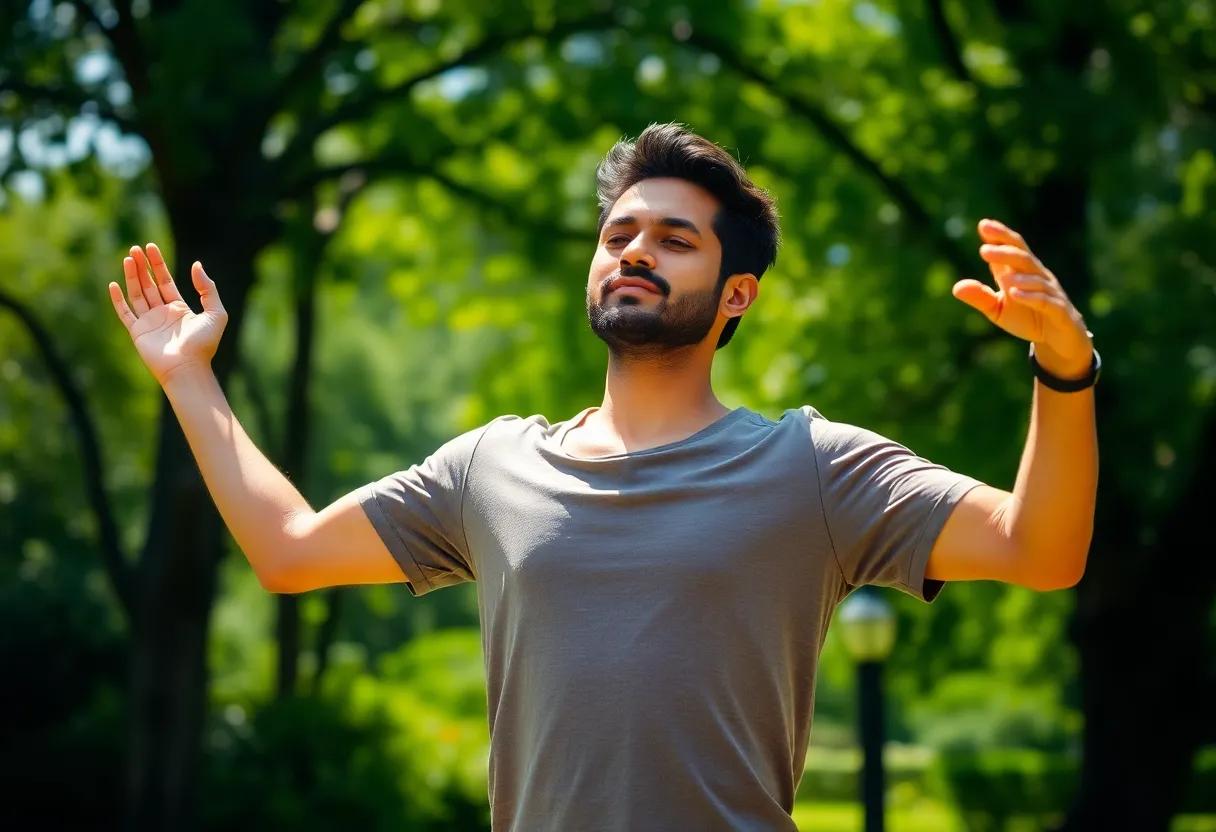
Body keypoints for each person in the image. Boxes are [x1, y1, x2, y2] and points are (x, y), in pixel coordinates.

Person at [107, 123, 1099, 832]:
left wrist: (1063, 368)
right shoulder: (491, 465)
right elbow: (287, 551)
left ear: (735, 293)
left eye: (675, 239)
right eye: (618, 233)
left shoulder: (813, 466)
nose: (633, 250)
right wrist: (189, 377)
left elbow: (1041, 549)